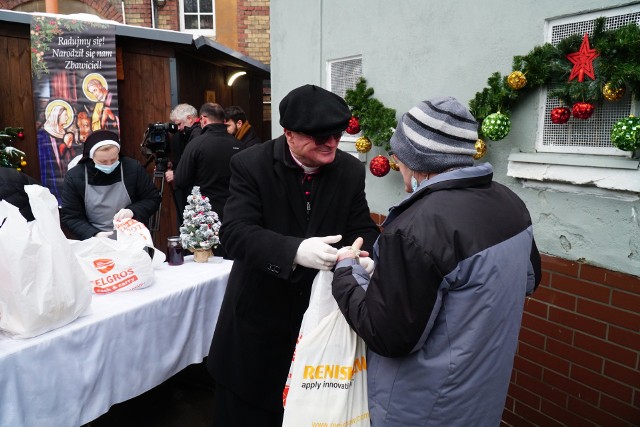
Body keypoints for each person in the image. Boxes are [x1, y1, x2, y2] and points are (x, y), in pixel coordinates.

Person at [331, 96, 542, 426]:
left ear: (417, 162)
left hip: (422, 406)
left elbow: (389, 335)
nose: (397, 165)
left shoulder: (417, 227)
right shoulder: (510, 204)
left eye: (398, 158)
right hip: (482, 394)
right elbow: (528, 281)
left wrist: (347, 271)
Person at [206, 84, 380, 426]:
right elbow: (234, 234)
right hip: (257, 325)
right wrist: (295, 250)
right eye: (319, 137)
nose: (331, 143)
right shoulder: (250, 164)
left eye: (336, 133)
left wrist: (366, 254)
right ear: (289, 134)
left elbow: (363, 228)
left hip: (320, 325)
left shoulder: (349, 170)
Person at [60, 130, 161, 240]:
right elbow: (71, 216)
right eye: (103, 162)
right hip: (94, 240)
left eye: (114, 160)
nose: (109, 165)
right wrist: (94, 234)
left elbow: (152, 198)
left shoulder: (132, 168)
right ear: (91, 158)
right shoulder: (75, 177)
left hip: (132, 235)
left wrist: (133, 211)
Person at [173, 102, 241, 258]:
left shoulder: (196, 144)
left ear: (203, 119)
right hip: (234, 211)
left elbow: (181, 179)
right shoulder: (239, 145)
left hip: (205, 216)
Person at [164, 103, 202, 228]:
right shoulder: (186, 134)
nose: (178, 128)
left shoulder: (196, 135)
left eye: (179, 123)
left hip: (195, 191)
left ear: (190, 118)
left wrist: (175, 174)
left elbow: (193, 165)